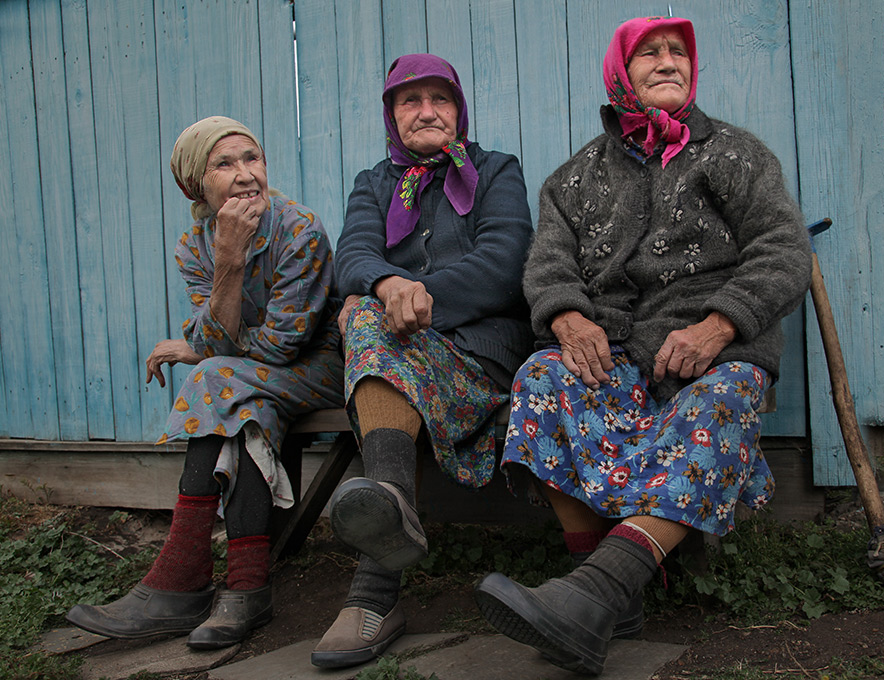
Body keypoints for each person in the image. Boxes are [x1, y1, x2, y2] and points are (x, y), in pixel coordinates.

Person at [473, 16, 813, 675]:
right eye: (649, 53)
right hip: (613, 347)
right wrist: (567, 318)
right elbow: (548, 266)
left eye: (678, 52)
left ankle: (598, 592)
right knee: (542, 379)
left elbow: (783, 251)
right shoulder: (573, 178)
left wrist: (720, 325)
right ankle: (608, 597)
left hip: (714, 348)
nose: (667, 62)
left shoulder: (736, 156)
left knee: (724, 398)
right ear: (619, 74)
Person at [65, 116, 344, 649]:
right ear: (196, 184)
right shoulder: (195, 246)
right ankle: (246, 591)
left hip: (321, 370)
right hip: (251, 385)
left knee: (217, 378)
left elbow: (282, 346)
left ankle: (180, 581)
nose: (246, 174)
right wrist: (228, 260)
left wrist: (198, 350)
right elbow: (222, 343)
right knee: (240, 403)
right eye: (224, 164)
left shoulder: (299, 229)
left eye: (252, 158)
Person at [310, 54, 533, 668]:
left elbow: (505, 263)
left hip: (479, 354)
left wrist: (416, 296)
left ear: (460, 110)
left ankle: (374, 589)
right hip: (393, 347)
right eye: (410, 100)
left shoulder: (496, 171)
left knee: (368, 320)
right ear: (392, 114)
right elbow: (353, 256)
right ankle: (392, 508)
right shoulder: (373, 183)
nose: (427, 111)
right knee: (362, 308)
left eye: (441, 99)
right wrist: (388, 286)